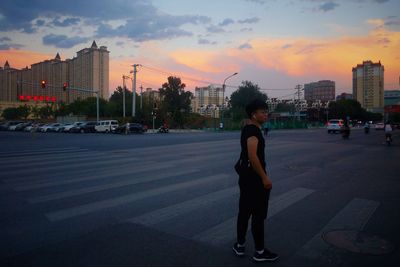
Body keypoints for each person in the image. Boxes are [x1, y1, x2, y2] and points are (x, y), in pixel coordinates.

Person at [232, 99, 279, 262]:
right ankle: (259, 252)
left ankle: (240, 245)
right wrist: (264, 178)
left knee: (244, 212)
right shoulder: (253, 131)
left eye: (266, 112)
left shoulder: (249, 128)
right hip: (254, 180)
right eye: (262, 112)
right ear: (254, 114)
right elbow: (253, 156)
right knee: (258, 215)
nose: (266, 114)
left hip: (246, 178)